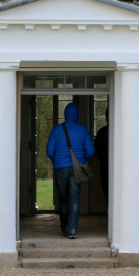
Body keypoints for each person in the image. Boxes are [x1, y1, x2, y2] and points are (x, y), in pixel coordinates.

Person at [45, 102, 95, 239]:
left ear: (65, 114)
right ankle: (72, 229)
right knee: (74, 199)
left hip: (60, 168)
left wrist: (58, 160)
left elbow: (49, 150)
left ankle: (64, 227)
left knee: (62, 199)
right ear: (77, 115)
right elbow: (91, 150)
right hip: (76, 168)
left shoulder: (56, 130)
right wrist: (81, 159)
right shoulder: (83, 130)